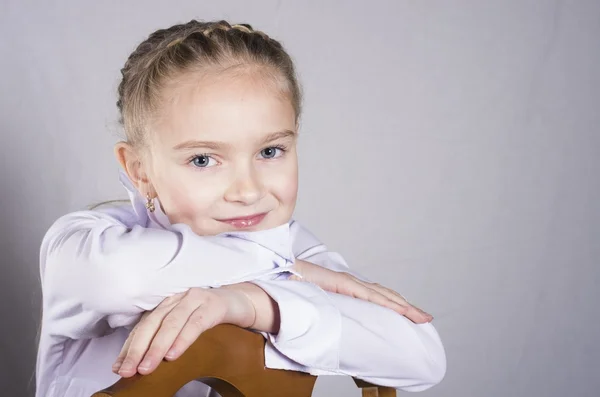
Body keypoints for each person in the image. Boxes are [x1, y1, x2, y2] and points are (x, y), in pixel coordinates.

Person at [35, 19, 446, 397]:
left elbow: (422, 358)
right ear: (139, 170)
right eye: (203, 159)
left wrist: (254, 303)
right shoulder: (83, 244)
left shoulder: (290, 245)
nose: (247, 191)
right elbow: (120, 279)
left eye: (270, 150)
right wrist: (291, 271)